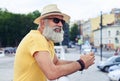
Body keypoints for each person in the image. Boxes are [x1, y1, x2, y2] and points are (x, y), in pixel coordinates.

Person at [13, 4, 95, 81]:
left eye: (62, 22)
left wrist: (81, 61)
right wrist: (81, 64)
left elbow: (56, 62)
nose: (60, 25)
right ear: (42, 23)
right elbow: (52, 73)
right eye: (56, 20)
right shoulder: (36, 38)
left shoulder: (47, 41)